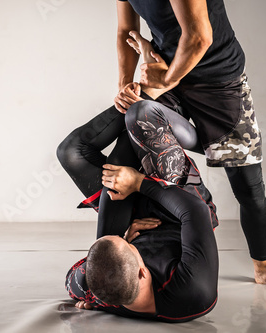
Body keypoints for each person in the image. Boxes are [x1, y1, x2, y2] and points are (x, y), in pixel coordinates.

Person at [112, 0, 266, 292]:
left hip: (219, 81)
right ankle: (119, 264)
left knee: (249, 189)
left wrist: (166, 78)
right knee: (131, 150)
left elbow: (200, 36)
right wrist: (124, 85)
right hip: (168, 72)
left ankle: (263, 269)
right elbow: (126, 30)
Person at [59, 96, 219, 322]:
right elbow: (196, 211)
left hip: (135, 211)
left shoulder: (90, 288)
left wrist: (124, 235)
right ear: (143, 272)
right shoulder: (193, 291)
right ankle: (166, 101)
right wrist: (138, 183)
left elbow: (75, 279)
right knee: (142, 115)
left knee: (71, 152)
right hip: (179, 209)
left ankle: (156, 98)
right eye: (129, 247)